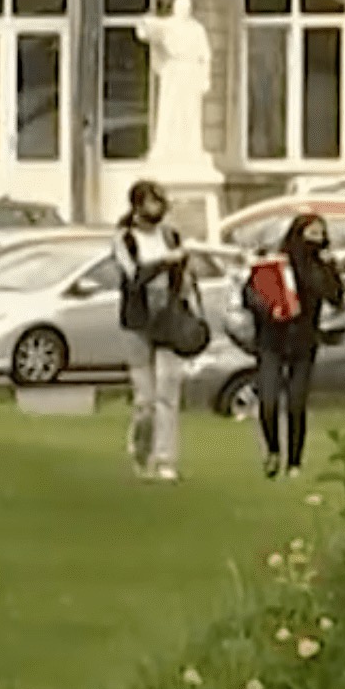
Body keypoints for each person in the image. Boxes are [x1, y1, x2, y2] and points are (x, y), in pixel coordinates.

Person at [248, 213, 345, 478]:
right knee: (268, 401)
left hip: (304, 341)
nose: (316, 239)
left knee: (296, 403)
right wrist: (269, 310)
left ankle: (295, 461)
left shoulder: (321, 267)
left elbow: (336, 297)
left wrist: (330, 269)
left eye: (320, 234)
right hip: (272, 340)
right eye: (311, 233)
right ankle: (272, 451)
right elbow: (252, 294)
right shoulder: (276, 263)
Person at [114, 180, 197, 484]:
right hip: (137, 323)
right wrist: (164, 262)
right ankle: (141, 450)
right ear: (137, 206)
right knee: (145, 399)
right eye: (151, 203)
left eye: (161, 203)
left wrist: (182, 276)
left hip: (168, 321)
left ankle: (166, 459)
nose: (158, 209)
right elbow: (134, 276)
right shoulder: (125, 239)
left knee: (168, 392)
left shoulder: (170, 236)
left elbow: (183, 277)